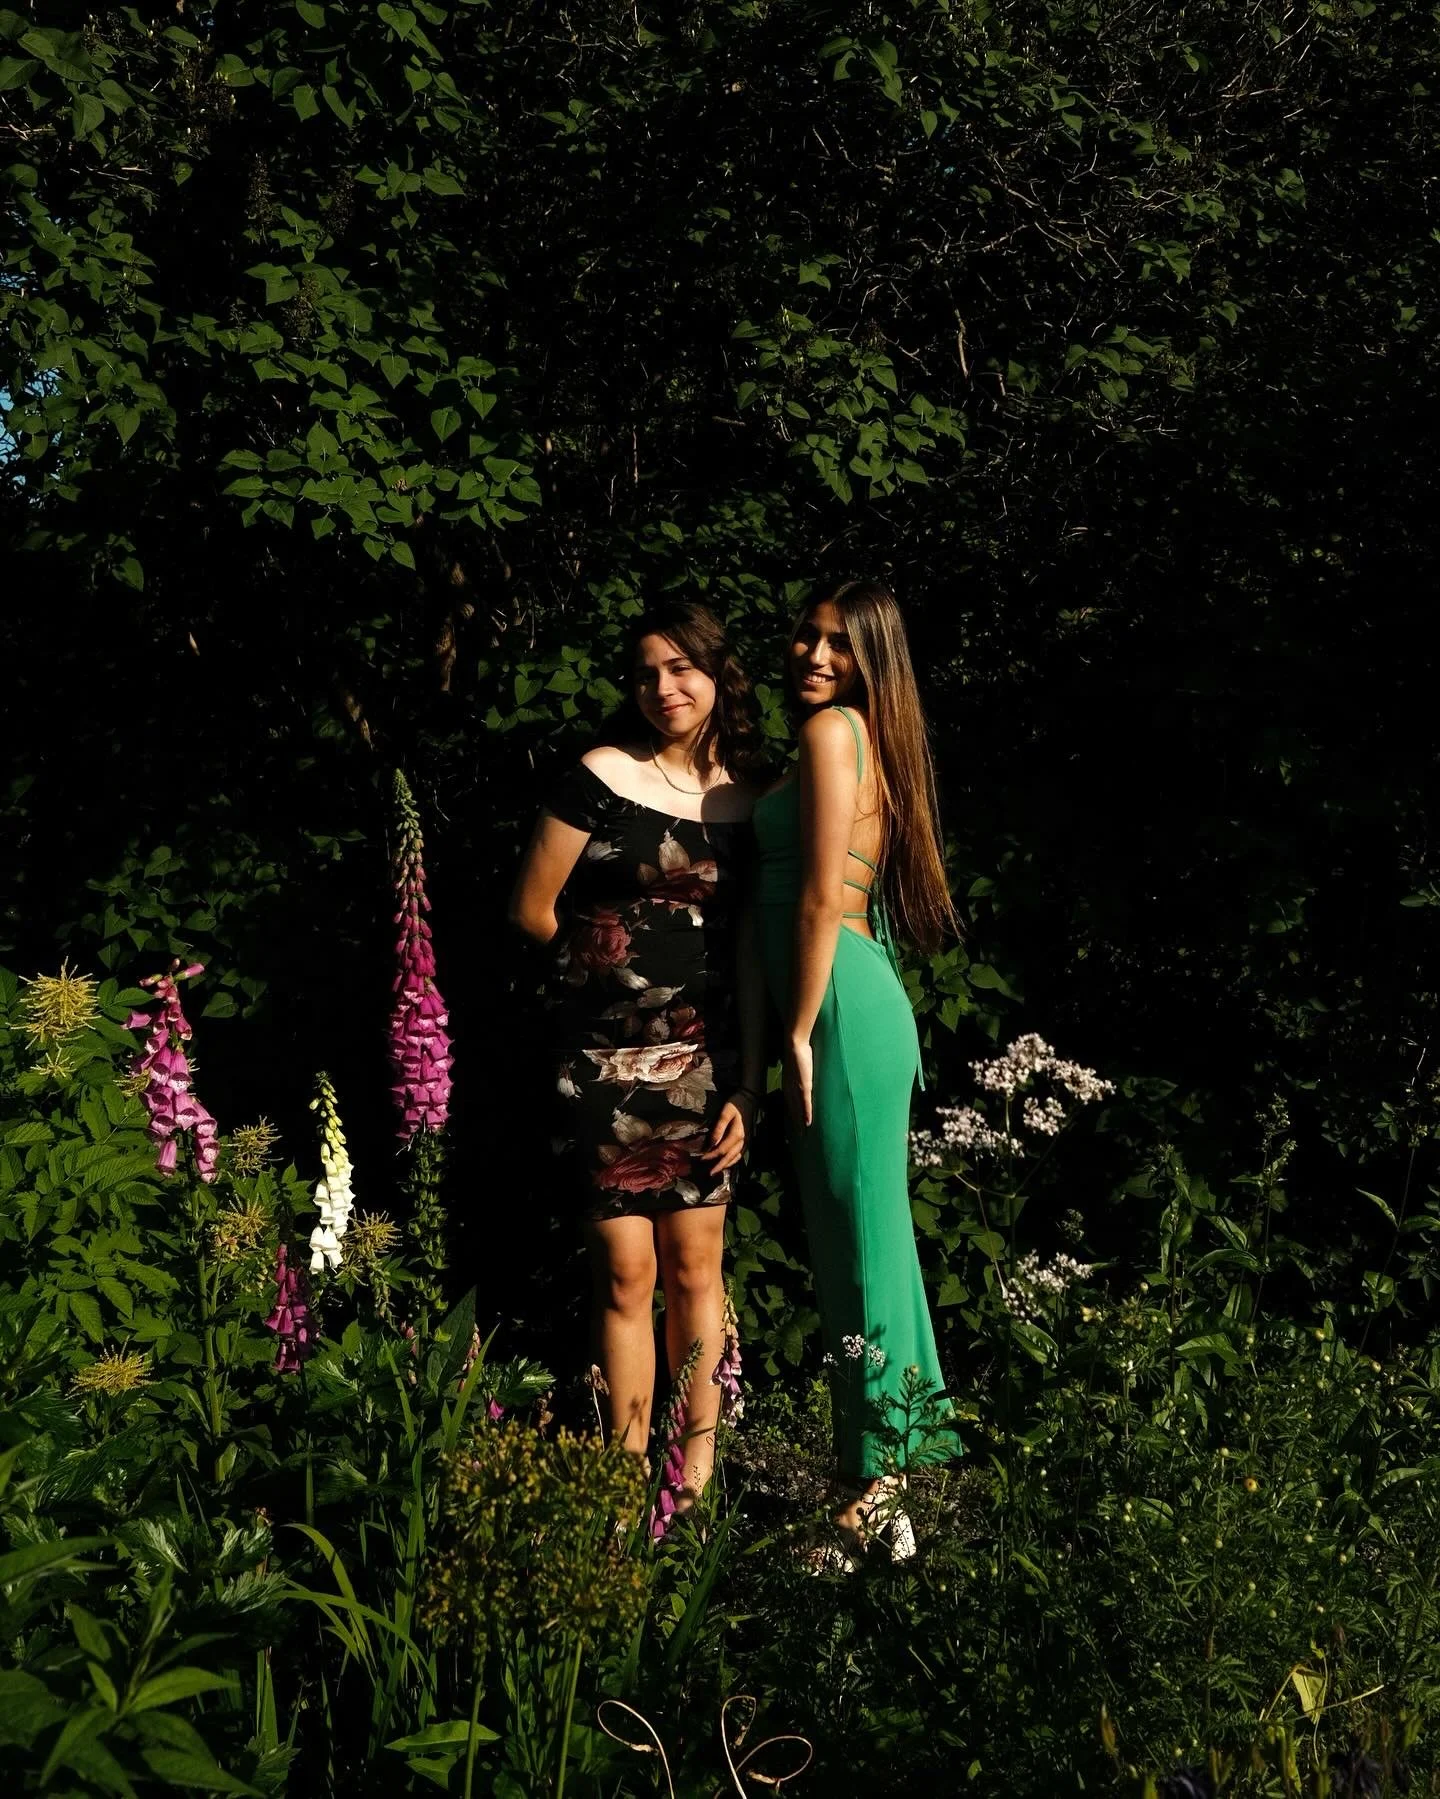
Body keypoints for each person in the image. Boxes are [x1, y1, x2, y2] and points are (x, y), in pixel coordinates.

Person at [509, 601, 767, 1511]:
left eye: (681, 667)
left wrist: (749, 1082)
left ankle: (691, 1493)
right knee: (625, 1272)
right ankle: (623, 1501)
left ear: (717, 672)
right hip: (599, 1062)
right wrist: (604, 987)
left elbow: (752, 949)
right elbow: (531, 908)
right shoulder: (600, 775)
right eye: (646, 672)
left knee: (698, 1271)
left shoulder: (753, 799)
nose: (663, 687)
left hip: (704, 1063)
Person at [752, 579, 959, 1560]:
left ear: (870, 659)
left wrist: (795, 1029)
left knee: (862, 1245)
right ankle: (884, 1476)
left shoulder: (834, 732)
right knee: (863, 1239)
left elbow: (817, 900)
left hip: (834, 1003)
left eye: (839, 643)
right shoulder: (851, 737)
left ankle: (872, 1485)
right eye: (807, 635)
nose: (816, 654)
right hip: (841, 997)